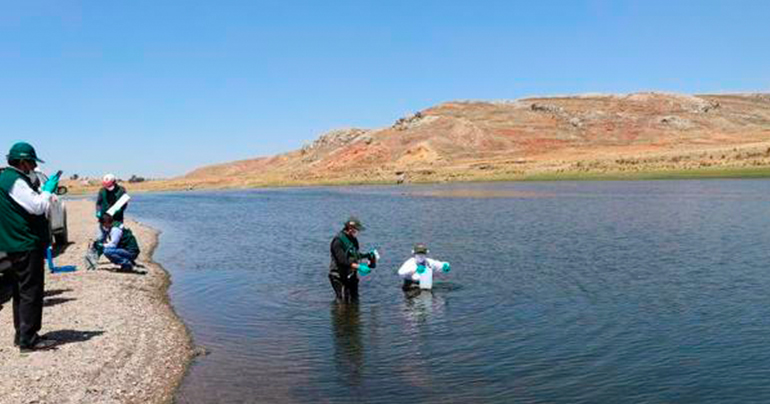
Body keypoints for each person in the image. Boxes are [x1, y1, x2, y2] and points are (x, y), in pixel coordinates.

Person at [0, 142, 59, 351]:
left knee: (20, 290)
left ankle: (22, 334)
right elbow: (37, 206)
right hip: (24, 243)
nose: (34, 166)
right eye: (32, 162)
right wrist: (47, 191)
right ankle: (29, 338)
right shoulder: (13, 180)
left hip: (14, 243)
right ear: (23, 161)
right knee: (31, 291)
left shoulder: (6, 179)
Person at [328, 216, 377, 303]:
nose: (358, 232)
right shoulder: (338, 241)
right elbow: (342, 260)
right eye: (357, 229)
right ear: (350, 228)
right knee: (342, 301)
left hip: (351, 274)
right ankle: (340, 315)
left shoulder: (353, 240)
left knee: (355, 299)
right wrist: (359, 267)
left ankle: (354, 316)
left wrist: (367, 255)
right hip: (338, 275)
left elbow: (354, 255)